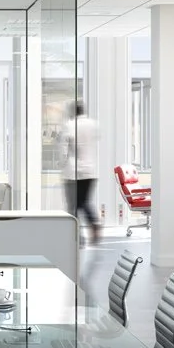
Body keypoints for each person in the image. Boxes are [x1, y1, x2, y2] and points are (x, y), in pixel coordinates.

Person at [65, 101, 101, 243]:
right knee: (84, 202)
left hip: (73, 171)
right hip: (90, 171)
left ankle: (77, 236)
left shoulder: (70, 125)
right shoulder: (93, 124)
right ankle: (94, 224)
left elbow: (64, 149)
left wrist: (61, 162)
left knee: (73, 205)